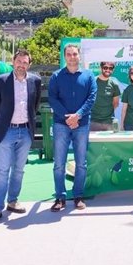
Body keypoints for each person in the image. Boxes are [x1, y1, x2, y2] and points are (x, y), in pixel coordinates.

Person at [0, 49, 42, 224]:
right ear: (13, 61)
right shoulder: (0, 81)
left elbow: (36, 104)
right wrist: (2, 122)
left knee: (18, 170)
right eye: (19, 61)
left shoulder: (35, 81)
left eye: (25, 62)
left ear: (29, 64)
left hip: (25, 131)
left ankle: (12, 201)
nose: (22, 65)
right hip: (6, 131)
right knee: (2, 171)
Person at [48, 44, 97, 212]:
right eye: (68, 54)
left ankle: (78, 196)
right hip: (61, 124)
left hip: (82, 124)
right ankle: (60, 197)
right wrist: (68, 118)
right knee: (59, 164)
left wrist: (78, 116)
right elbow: (53, 99)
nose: (72, 57)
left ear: (79, 56)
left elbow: (91, 98)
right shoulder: (56, 76)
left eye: (74, 54)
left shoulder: (89, 76)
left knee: (81, 163)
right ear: (64, 56)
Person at [90, 61, 120, 131]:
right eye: (105, 67)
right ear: (100, 68)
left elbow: (116, 103)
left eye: (110, 68)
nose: (108, 70)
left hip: (109, 122)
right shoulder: (92, 82)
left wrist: (106, 114)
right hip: (93, 121)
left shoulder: (114, 84)